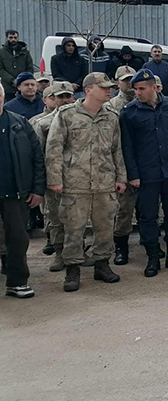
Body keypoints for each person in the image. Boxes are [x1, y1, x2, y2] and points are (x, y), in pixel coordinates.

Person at [45, 72, 125, 292]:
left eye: (110, 87)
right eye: (104, 87)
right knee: (74, 228)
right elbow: (53, 149)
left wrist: (121, 177)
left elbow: (117, 150)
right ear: (88, 89)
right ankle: (73, 269)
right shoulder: (67, 115)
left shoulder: (111, 116)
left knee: (105, 226)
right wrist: (55, 179)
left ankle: (102, 264)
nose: (109, 90)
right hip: (74, 182)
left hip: (104, 182)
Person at [120, 69, 168, 277]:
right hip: (147, 173)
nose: (138, 93)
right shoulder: (130, 112)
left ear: (155, 87)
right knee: (148, 217)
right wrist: (133, 175)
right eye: (135, 89)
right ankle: (153, 257)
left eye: (142, 88)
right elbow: (128, 147)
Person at [0, 87, 44, 298]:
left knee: (18, 239)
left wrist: (37, 190)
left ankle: (17, 283)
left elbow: (37, 158)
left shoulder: (19, 123)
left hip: (15, 193)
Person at [31, 82, 75, 269]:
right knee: (56, 219)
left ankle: (77, 251)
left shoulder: (79, 119)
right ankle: (59, 253)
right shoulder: (43, 123)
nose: (64, 100)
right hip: (54, 181)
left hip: (77, 178)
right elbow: (37, 156)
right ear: (52, 98)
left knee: (76, 220)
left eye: (68, 96)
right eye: (60, 96)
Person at [108, 65, 142, 265]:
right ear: (117, 82)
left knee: (147, 208)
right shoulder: (111, 106)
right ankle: (121, 247)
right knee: (123, 210)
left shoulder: (144, 102)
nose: (129, 83)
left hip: (142, 162)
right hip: (121, 165)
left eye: (132, 79)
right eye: (125, 80)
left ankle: (148, 243)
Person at [1, 29, 35, 101]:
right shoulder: (1, 52)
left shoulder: (25, 52)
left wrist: (24, 79)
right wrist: (12, 80)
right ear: (6, 38)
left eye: (15, 37)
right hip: (7, 88)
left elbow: (30, 67)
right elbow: (0, 69)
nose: (13, 39)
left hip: (23, 88)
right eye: (11, 37)